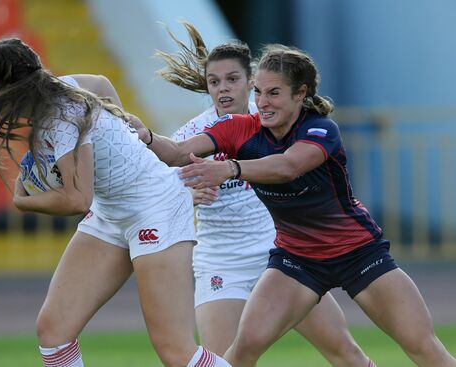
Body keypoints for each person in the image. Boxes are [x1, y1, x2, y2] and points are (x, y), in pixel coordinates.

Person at [131, 42, 456, 367]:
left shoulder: (321, 129)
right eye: (259, 92)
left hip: (357, 253)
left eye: (273, 93)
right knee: (244, 347)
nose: (262, 102)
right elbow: (177, 152)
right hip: (296, 261)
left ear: (300, 94)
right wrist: (146, 136)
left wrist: (230, 168)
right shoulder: (238, 127)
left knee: (422, 346)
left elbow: (287, 167)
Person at [0, 37, 232, 367]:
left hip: (155, 209)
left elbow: (77, 200)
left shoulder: (59, 118)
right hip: (111, 211)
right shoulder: (58, 88)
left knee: (175, 351)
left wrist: (23, 202)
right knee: (53, 331)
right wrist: (122, 134)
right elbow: (100, 84)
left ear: (12, 88)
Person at [154, 22, 375, 367]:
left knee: (344, 351)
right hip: (222, 262)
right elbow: (162, 189)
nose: (223, 89)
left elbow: (298, 164)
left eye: (232, 79)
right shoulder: (193, 134)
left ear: (252, 80)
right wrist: (185, 196)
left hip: (284, 255)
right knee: (227, 362)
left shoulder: (280, 121)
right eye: (214, 82)